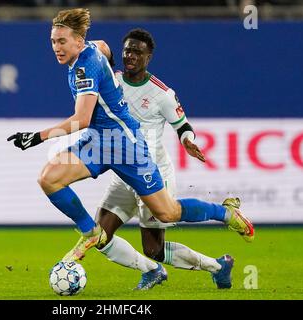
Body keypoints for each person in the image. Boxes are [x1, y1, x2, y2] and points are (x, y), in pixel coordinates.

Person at [7, 8, 254, 265]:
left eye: (62, 41)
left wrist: (36, 137)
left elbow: (81, 119)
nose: (56, 47)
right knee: (49, 179)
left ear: (78, 42)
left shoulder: (84, 68)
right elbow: (102, 45)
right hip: (98, 141)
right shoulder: (90, 48)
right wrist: (108, 67)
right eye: (53, 41)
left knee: (167, 212)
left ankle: (225, 213)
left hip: (126, 146)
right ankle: (90, 232)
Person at [94, 28, 236, 290]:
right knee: (98, 236)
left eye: (137, 51)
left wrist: (188, 141)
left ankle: (218, 265)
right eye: (127, 50)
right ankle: (152, 272)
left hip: (153, 173)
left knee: (154, 248)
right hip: (124, 173)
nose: (130, 55)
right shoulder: (112, 82)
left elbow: (182, 126)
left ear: (149, 57)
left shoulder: (162, 94)